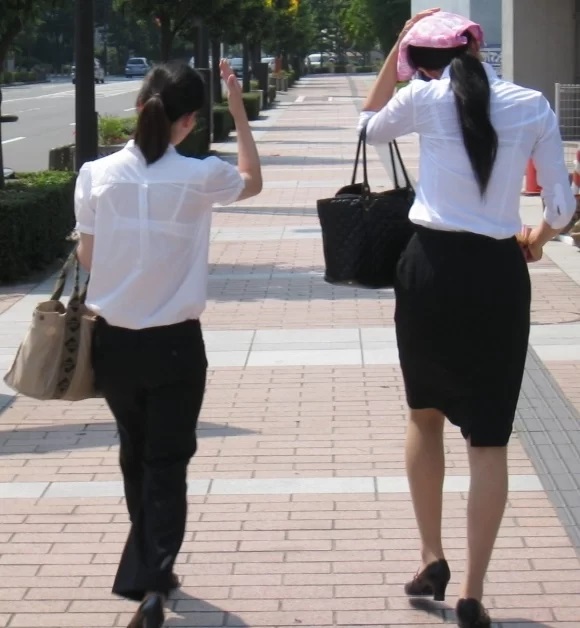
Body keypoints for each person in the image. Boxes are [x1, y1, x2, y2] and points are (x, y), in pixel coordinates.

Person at [359, 9, 575, 628]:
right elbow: (561, 206)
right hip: (498, 275)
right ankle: (474, 591)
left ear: (421, 65)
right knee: (490, 437)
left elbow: (368, 127)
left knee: (424, 414)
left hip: (429, 270)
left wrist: (396, 48)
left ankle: (431, 557)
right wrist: (535, 238)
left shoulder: (422, 98)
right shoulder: (532, 104)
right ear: (478, 50)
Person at [74, 59, 262, 627]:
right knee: (168, 460)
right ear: (189, 121)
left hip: (114, 342)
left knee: (135, 453)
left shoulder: (95, 174)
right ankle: (154, 577)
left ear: (139, 108)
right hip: (176, 343)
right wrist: (238, 108)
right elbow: (252, 179)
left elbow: (88, 257)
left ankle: (152, 570)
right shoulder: (200, 176)